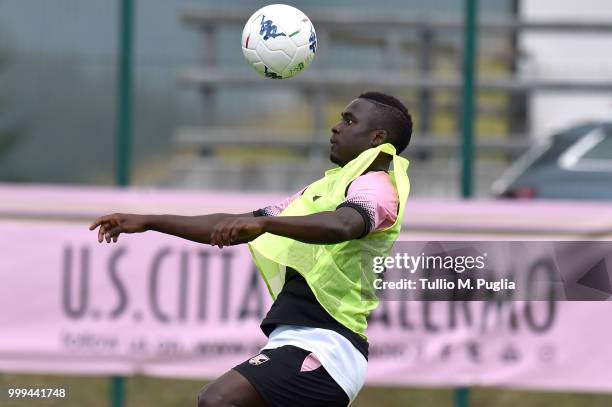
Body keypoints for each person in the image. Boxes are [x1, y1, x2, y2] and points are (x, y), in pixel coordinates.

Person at [89, 91, 412, 407]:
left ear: (377, 137)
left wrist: (266, 226)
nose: (336, 126)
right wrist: (149, 221)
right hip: (300, 341)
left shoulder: (378, 187)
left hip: (328, 348)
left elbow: (342, 226)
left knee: (218, 399)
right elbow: (234, 224)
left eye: (349, 120)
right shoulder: (325, 188)